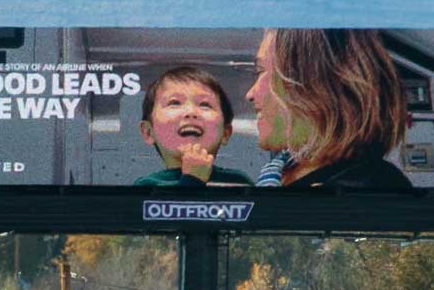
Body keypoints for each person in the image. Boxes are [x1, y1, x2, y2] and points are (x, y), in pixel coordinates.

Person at [246, 28, 412, 189]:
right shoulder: (281, 169)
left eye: (260, 71)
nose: (249, 94)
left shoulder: (373, 189)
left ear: (315, 86)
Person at [133, 66, 255, 188]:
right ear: (148, 132)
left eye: (205, 104)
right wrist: (193, 180)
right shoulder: (146, 187)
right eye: (174, 103)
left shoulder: (239, 183)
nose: (191, 112)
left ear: (225, 133)